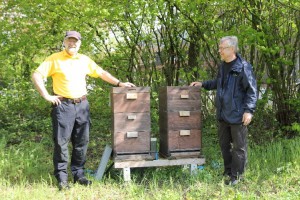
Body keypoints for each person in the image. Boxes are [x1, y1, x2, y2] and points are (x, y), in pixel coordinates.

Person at [32, 30, 136, 190]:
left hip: (82, 106)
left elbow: (101, 72)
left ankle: (79, 175)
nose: (72, 43)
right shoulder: (54, 59)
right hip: (63, 106)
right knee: (61, 143)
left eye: (75, 41)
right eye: (69, 41)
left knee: (82, 142)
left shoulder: (84, 59)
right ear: (64, 42)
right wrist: (46, 95)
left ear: (79, 43)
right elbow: (37, 75)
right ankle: (62, 179)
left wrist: (119, 83)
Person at [190, 36, 257, 185]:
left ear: (232, 49)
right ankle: (228, 172)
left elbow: (252, 90)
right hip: (223, 114)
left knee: (239, 148)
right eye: (219, 48)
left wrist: (249, 111)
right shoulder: (223, 66)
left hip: (238, 115)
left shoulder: (243, 67)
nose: (219, 50)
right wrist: (203, 84)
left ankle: (236, 177)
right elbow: (218, 83)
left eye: (222, 48)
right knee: (224, 145)